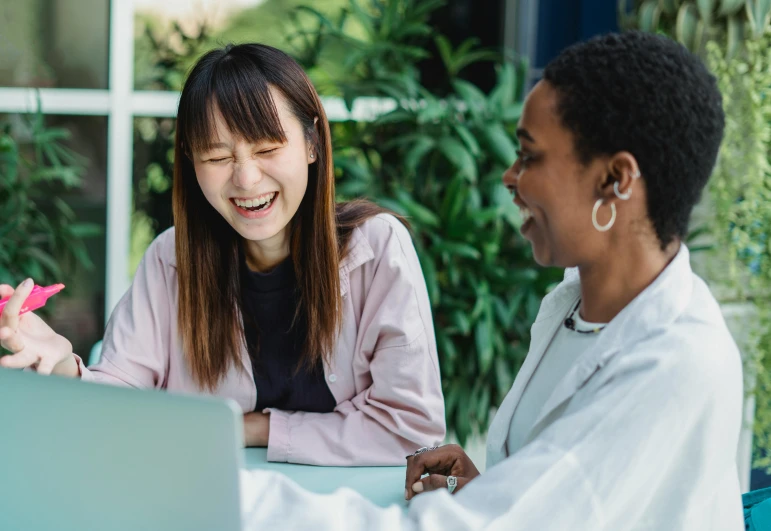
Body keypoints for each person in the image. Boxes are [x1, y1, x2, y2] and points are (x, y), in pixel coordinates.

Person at [235, 31, 743, 529]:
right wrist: (493, 488)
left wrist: (232, 494)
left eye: (530, 155)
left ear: (615, 180)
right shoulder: (574, 310)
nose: (509, 176)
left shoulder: (673, 363)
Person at [0, 43, 445, 466]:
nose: (247, 179)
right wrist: (62, 365)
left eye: (268, 149)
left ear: (312, 143)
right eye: (216, 157)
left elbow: (412, 429)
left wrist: (255, 429)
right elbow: (119, 405)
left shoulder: (376, 249)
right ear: (192, 163)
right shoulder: (172, 259)